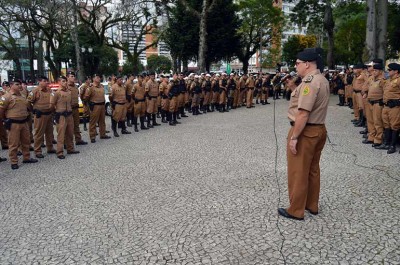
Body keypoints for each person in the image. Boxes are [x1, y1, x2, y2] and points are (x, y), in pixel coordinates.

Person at [278, 49, 329, 220]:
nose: (296, 66)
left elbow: (303, 114)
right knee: (313, 169)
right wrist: (293, 87)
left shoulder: (309, 82)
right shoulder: (321, 79)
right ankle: (311, 205)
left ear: (307, 64)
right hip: (319, 129)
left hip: (305, 131)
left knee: (298, 171)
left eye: (298, 63)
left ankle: (296, 210)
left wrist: (294, 137)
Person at [0, 78, 38, 169]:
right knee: (13, 143)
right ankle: (14, 161)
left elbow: (27, 107)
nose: (20, 86)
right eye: (17, 84)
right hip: (13, 123)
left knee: (26, 141)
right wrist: (5, 120)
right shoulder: (6, 97)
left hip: (24, 122)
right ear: (11, 85)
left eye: (20, 84)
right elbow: (1, 111)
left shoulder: (22, 96)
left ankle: (26, 157)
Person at [50, 76, 80, 159]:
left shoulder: (69, 92)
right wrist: (56, 114)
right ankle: (59, 152)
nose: (65, 83)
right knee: (61, 134)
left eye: (65, 81)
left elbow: (70, 103)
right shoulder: (57, 93)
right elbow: (52, 104)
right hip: (61, 115)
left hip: (69, 115)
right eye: (63, 81)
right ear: (59, 82)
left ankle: (70, 149)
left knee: (70, 133)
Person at [28, 75, 56, 158]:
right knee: (39, 134)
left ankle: (50, 148)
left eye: (46, 81)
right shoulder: (35, 91)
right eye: (44, 81)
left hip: (49, 114)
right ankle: (37, 151)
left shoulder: (49, 90)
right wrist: (33, 110)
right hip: (40, 116)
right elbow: (28, 102)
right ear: (39, 82)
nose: (46, 82)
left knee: (49, 133)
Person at [83, 74, 110, 143]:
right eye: (97, 77)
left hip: (102, 105)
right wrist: (89, 105)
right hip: (95, 106)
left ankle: (103, 134)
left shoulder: (101, 86)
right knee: (93, 122)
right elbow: (86, 97)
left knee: (102, 121)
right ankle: (92, 136)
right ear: (93, 79)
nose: (99, 78)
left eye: (99, 77)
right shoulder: (90, 87)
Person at [380, 63, 400, 154]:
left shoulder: (399, 80)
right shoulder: (389, 80)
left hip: (394, 107)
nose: (388, 71)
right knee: (386, 124)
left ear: (396, 71)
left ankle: (392, 145)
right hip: (386, 106)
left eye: (390, 70)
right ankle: (386, 143)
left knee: (394, 125)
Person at [67, 72, 88, 146]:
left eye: (74, 76)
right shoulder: (65, 87)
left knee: (76, 125)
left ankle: (78, 139)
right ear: (67, 77)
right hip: (69, 109)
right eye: (71, 76)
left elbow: (79, 95)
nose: (73, 77)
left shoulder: (76, 87)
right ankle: (67, 142)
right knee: (69, 126)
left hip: (76, 108)